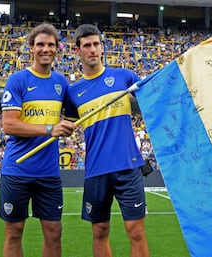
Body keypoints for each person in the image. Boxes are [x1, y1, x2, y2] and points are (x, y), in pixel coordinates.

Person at [64, 24, 150, 257]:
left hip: (128, 166)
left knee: (136, 232)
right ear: (77, 51)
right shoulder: (73, 92)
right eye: (86, 45)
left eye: (96, 44)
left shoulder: (124, 77)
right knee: (100, 231)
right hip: (96, 170)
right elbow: (68, 128)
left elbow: (152, 99)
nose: (92, 49)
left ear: (102, 47)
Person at [0, 23, 76, 257]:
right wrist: (50, 128)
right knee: (14, 231)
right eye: (40, 44)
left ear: (57, 49)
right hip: (17, 169)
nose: (46, 49)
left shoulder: (61, 83)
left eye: (50, 45)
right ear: (31, 48)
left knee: (54, 232)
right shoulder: (18, 80)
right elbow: (9, 124)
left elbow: (73, 117)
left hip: (48, 172)